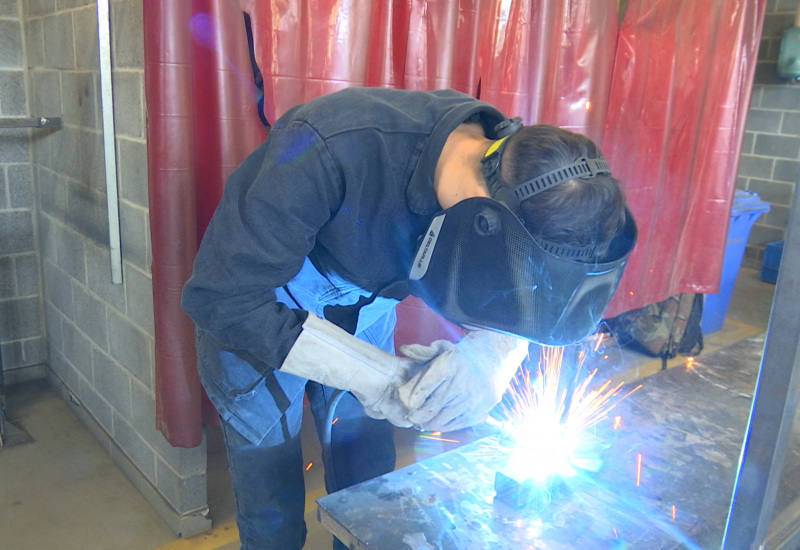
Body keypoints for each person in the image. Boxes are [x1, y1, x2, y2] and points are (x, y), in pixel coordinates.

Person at [181, 87, 633, 550]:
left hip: (365, 307)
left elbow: (525, 293)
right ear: (484, 217)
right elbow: (223, 298)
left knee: (369, 490)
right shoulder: (331, 145)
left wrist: (493, 355)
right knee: (271, 505)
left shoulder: (518, 181)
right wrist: (375, 376)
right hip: (255, 306)